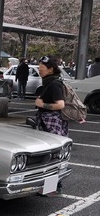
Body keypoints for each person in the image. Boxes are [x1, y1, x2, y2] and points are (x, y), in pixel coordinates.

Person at [35, 55, 67, 195]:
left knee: (53, 155)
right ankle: (50, 187)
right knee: (50, 154)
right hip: (48, 121)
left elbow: (60, 105)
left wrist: (42, 104)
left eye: (42, 68)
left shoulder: (54, 84)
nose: (39, 69)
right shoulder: (50, 82)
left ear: (51, 69)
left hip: (52, 123)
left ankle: (53, 188)